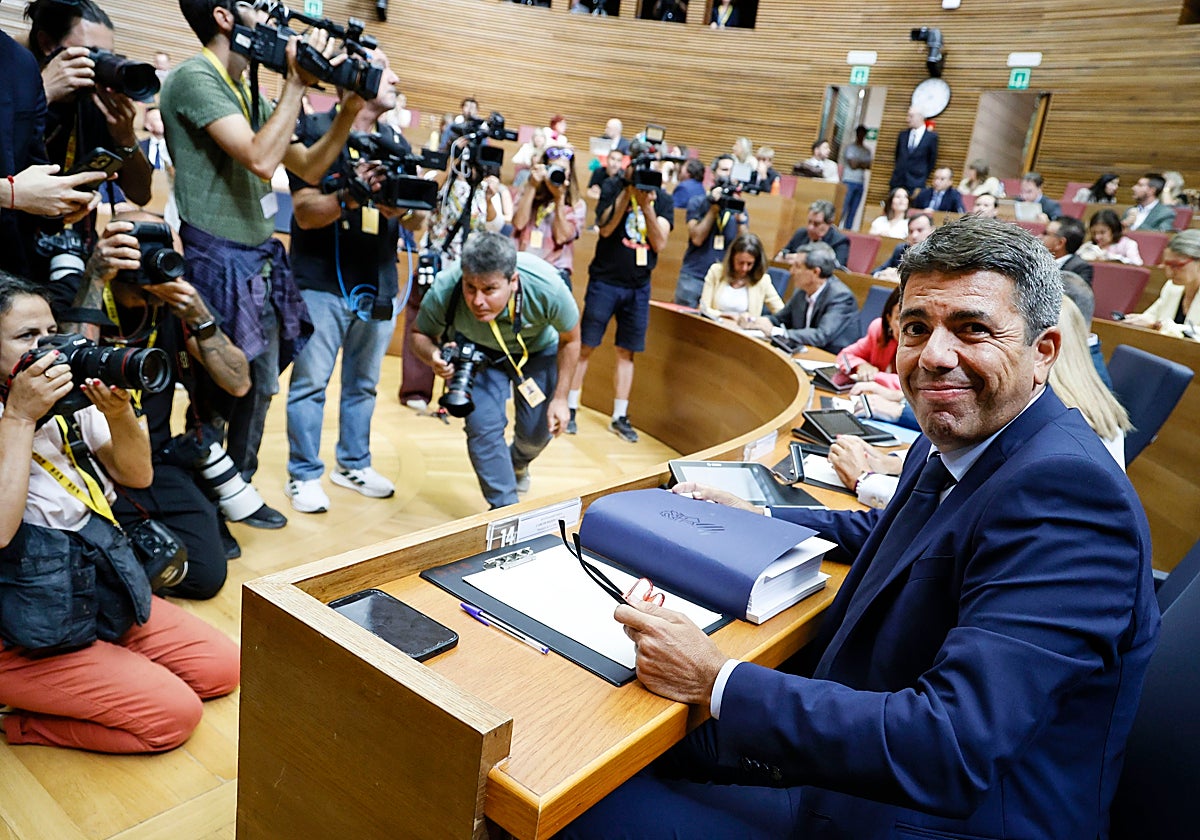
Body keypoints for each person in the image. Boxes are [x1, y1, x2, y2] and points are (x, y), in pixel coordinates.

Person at [561, 215, 1160, 840]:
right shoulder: (961, 439)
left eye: (972, 329)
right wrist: (763, 514)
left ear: (1043, 353)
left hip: (935, 819)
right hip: (858, 773)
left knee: (576, 813)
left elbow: (950, 747)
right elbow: (897, 534)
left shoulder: (1070, 497)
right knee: (593, 747)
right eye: (916, 328)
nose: (934, 356)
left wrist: (716, 679)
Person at [0, 273, 240, 754]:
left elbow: (138, 477)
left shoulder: (67, 399)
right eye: (27, 337)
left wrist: (119, 414)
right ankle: (18, 723)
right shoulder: (21, 411)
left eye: (51, 333)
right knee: (173, 717)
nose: (48, 348)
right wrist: (20, 418)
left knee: (224, 667)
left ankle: (103, 658)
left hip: (89, 586)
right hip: (17, 630)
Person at [161, 0, 368, 529]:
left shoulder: (245, 91)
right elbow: (259, 157)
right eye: (259, 6)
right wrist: (297, 86)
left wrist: (346, 109)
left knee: (261, 388)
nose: (274, 17)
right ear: (224, 16)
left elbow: (308, 165)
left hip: (258, 259)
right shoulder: (192, 77)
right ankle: (204, 508)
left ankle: (240, 488)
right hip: (217, 257)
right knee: (218, 391)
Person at [61, 210, 251, 590]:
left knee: (206, 574)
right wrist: (97, 277)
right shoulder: (79, 293)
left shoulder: (174, 311)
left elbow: (239, 382)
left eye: (166, 253)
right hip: (89, 460)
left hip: (155, 458)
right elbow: (66, 367)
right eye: (143, 249)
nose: (155, 261)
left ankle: (119, 563)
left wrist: (200, 314)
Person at [284, 51, 423, 514]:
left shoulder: (395, 143)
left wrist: (399, 209)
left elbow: (416, 225)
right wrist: (350, 195)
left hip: (378, 284)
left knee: (363, 385)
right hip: (320, 282)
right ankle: (303, 474)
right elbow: (304, 212)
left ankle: (353, 464)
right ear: (354, 76)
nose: (397, 76)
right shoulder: (314, 133)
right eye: (387, 67)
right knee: (310, 384)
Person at [412, 233, 579, 509]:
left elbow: (571, 340)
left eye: (489, 290)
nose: (477, 300)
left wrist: (561, 399)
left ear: (512, 281)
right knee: (482, 427)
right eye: (470, 288)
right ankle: (505, 510)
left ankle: (517, 463)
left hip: (536, 353)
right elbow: (419, 334)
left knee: (537, 433)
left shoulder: (547, 286)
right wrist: (433, 357)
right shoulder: (446, 287)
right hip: (479, 354)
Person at [566, 140, 673, 442]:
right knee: (586, 345)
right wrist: (627, 194)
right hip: (605, 281)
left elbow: (660, 243)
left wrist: (647, 205)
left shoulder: (660, 197)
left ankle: (620, 416)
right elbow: (607, 228)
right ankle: (571, 406)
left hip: (639, 287)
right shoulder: (613, 186)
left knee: (627, 352)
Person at [25, 0, 153, 212]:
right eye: (91, 53)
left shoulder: (96, 103)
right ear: (47, 44)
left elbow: (141, 195)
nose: (99, 64)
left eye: (107, 56)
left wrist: (126, 138)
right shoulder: (12, 90)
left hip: (75, 237)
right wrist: (43, 94)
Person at [0, 26, 104, 280]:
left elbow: (28, 167)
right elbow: (17, 191)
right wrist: (9, 194)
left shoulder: (20, 62)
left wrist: (59, 201)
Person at [738, 241, 859, 354]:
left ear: (815, 272)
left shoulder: (841, 297)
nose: (791, 271)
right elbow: (779, 319)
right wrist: (754, 321)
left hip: (831, 361)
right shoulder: (802, 292)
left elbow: (821, 336)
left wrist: (775, 331)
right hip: (804, 354)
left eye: (797, 266)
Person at [674, 154, 749, 308]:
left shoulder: (738, 209)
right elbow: (697, 238)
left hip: (722, 281)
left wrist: (740, 218)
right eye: (724, 169)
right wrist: (713, 208)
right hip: (694, 277)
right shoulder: (698, 202)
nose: (727, 174)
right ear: (713, 174)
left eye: (731, 171)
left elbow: (746, 247)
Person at [512, 146, 587, 288]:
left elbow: (561, 237)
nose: (556, 173)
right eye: (552, 167)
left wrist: (560, 198)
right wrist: (532, 187)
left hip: (554, 273)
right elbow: (519, 224)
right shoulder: (527, 192)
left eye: (562, 169)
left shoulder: (576, 204)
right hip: (521, 268)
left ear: (570, 173)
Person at [1123, 229, 1200, 339]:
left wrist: (1157, 325)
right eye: (1166, 265)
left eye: (1176, 265)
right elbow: (1150, 316)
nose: (1168, 273)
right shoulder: (1171, 287)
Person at [698, 233, 781, 319]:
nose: (744, 268)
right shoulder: (716, 271)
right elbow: (703, 308)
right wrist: (724, 315)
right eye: (740, 263)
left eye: (749, 264)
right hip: (714, 326)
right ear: (732, 258)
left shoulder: (763, 280)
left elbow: (781, 312)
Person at [837, 285, 901, 389]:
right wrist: (861, 365)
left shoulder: (929, 344)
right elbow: (845, 356)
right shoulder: (879, 330)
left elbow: (914, 387)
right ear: (889, 318)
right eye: (900, 318)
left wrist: (875, 376)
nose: (905, 328)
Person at [777, 200, 850, 267]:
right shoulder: (801, 234)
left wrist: (799, 258)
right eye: (809, 222)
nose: (810, 227)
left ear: (829, 223)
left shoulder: (839, 242)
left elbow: (837, 269)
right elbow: (781, 255)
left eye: (816, 224)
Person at [873, 212, 933, 280]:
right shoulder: (901, 249)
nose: (914, 236)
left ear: (932, 231)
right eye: (911, 231)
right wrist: (881, 275)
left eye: (920, 230)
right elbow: (876, 272)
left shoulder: (937, 254)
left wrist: (900, 277)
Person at [890, 107, 937, 193]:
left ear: (920, 117)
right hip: (898, 181)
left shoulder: (931, 137)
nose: (907, 119)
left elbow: (931, 160)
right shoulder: (902, 135)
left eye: (911, 116)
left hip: (916, 182)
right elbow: (897, 156)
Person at [1040, 216, 1094, 285]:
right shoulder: (1035, 260)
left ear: (1060, 243)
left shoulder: (1080, 269)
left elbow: (1074, 295)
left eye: (1045, 233)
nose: (1039, 236)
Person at [1078, 208, 1143, 265]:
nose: (1097, 237)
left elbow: (1137, 264)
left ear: (1114, 230)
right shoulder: (1089, 246)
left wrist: (1109, 257)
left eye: (1102, 232)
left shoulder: (1128, 244)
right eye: (1094, 233)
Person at [840, 126, 872, 228]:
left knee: (853, 211)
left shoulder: (867, 150)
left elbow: (869, 165)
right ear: (857, 134)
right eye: (859, 133)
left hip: (860, 183)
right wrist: (862, 163)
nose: (861, 136)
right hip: (848, 181)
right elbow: (853, 165)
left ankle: (847, 231)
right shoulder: (850, 148)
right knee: (843, 208)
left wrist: (858, 162)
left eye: (863, 134)